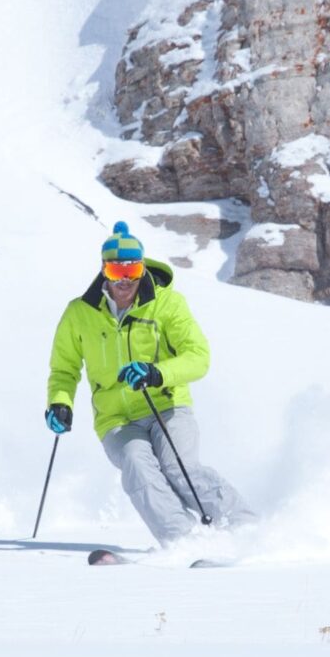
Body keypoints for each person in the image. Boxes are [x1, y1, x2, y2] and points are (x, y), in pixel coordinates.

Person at [47, 222, 256, 543]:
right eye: (117, 271)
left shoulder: (167, 304)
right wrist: (60, 402)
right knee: (137, 466)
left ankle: (246, 528)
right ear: (104, 271)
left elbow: (198, 356)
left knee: (179, 468)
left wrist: (158, 373)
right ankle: (183, 540)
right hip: (115, 418)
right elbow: (65, 368)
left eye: (132, 271)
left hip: (167, 406)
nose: (125, 281)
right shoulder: (79, 313)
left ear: (143, 269)